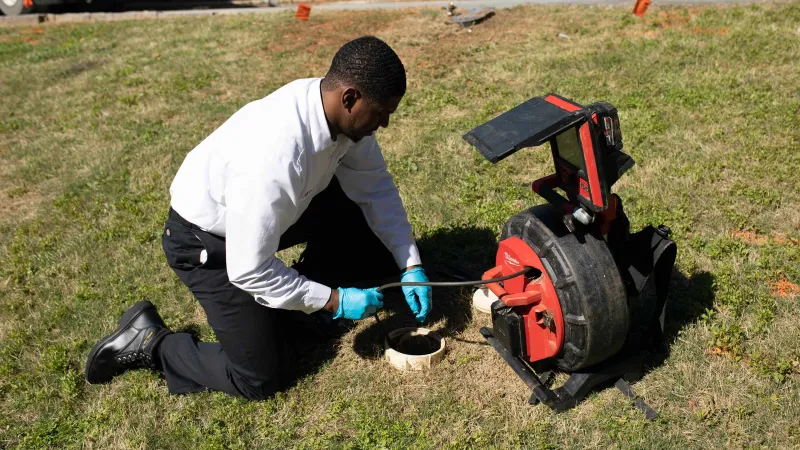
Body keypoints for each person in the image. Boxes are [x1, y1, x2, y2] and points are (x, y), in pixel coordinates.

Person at [84, 36, 432, 400]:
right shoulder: (276, 156)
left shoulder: (340, 117)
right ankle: (151, 342)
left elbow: (376, 190)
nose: (386, 123)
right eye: (380, 113)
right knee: (260, 376)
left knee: (374, 243)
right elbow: (247, 268)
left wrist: (411, 265)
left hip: (273, 210)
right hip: (207, 243)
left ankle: (303, 300)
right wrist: (333, 301)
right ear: (350, 98)